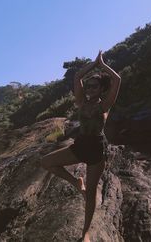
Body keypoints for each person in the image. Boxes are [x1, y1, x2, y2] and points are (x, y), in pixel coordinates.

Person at [40, 50, 121, 242]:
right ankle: (76, 182)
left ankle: (85, 232)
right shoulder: (80, 101)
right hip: (80, 144)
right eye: (88, 85)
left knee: (91, 193)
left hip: (96, 149)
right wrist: (93, 64)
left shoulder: (105, 105)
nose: (89, 88)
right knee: (46, 162)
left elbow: (117, 80)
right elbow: (77, 77)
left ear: (102, 89)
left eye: (94, 86)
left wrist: (103, 65)